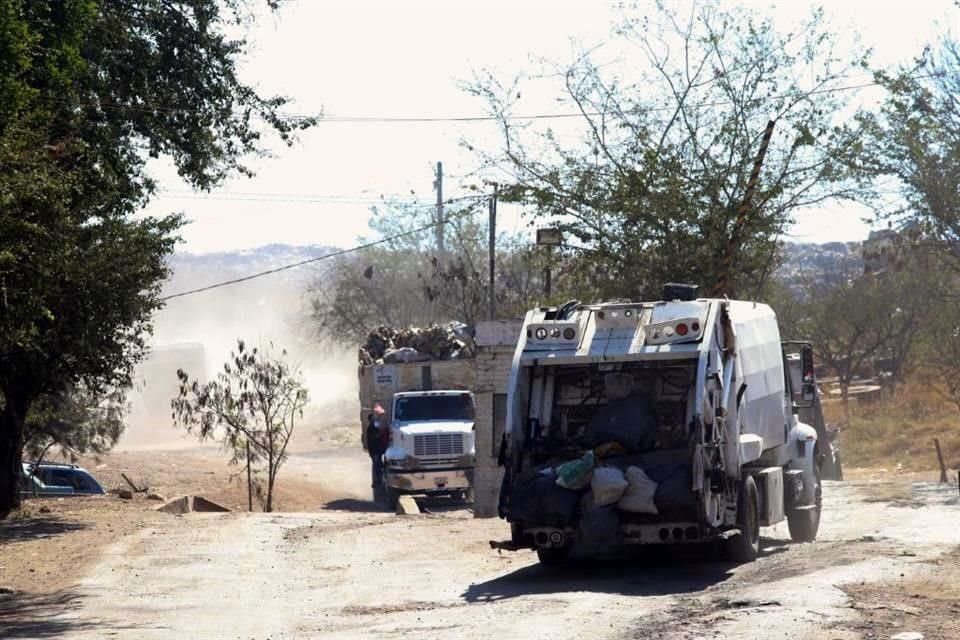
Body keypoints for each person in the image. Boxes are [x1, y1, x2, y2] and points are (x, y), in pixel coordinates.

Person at [366, 405, 388, 499]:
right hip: (375, 450)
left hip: (377, 449)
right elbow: (375, 437)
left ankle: (378, 481)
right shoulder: (371, 427)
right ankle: (377, 481)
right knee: (377, 465)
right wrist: (382, 432)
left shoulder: (373, 426)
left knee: (378, 464)